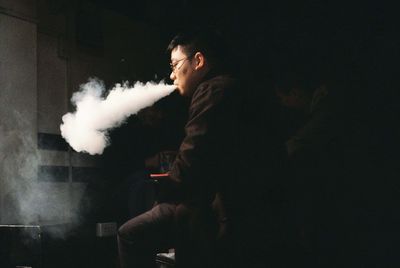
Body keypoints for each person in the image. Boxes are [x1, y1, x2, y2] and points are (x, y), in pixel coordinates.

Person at [117, 28, 244, 268]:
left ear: (198, 61)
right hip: (229, 202)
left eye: (175, 65)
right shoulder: (229, 87)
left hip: (222, 207)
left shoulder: (212, 90)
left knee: (129, 234)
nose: (172, 75)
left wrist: (163, 197)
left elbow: (191, 157)